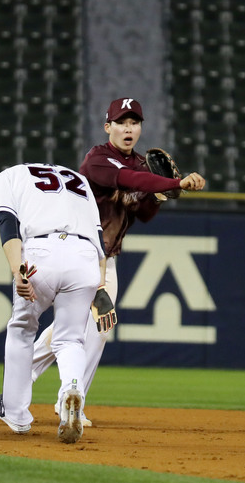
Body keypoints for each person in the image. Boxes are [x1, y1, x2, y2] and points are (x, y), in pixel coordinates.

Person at [30, 97, 206, 424]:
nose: (128, 128)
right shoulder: (97, 159)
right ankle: (38, 383)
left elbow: (144, 211)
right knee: (83, 324)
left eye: (134, 122)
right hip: (73, 252)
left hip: (104, 261)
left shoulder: (141, 164)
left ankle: (65, 397)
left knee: (94, 326)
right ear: (107, 126)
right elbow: (130, 180)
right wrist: (173, 183)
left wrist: (161, 195)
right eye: (121, 122)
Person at [0, 163, 116, 443]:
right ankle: (71, 389)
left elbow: (8, 225)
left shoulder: (10, 175)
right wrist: (100, 287)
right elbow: (100, 240)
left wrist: (18, 270)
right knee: (70, 340)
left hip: (41, 251)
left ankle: (16, 414)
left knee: (22, 328)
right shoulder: (78, 180)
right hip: (85, 258)